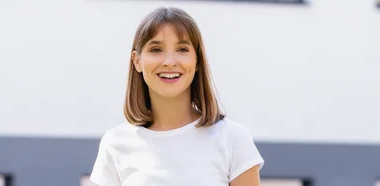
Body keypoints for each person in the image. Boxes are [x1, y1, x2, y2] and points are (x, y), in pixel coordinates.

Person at [89, 7, 264, 186]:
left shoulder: (232, 138)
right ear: (137, 61)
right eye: (156, 49)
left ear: (197, 61)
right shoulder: (115, 143)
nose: (170, 62)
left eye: (182, 49)